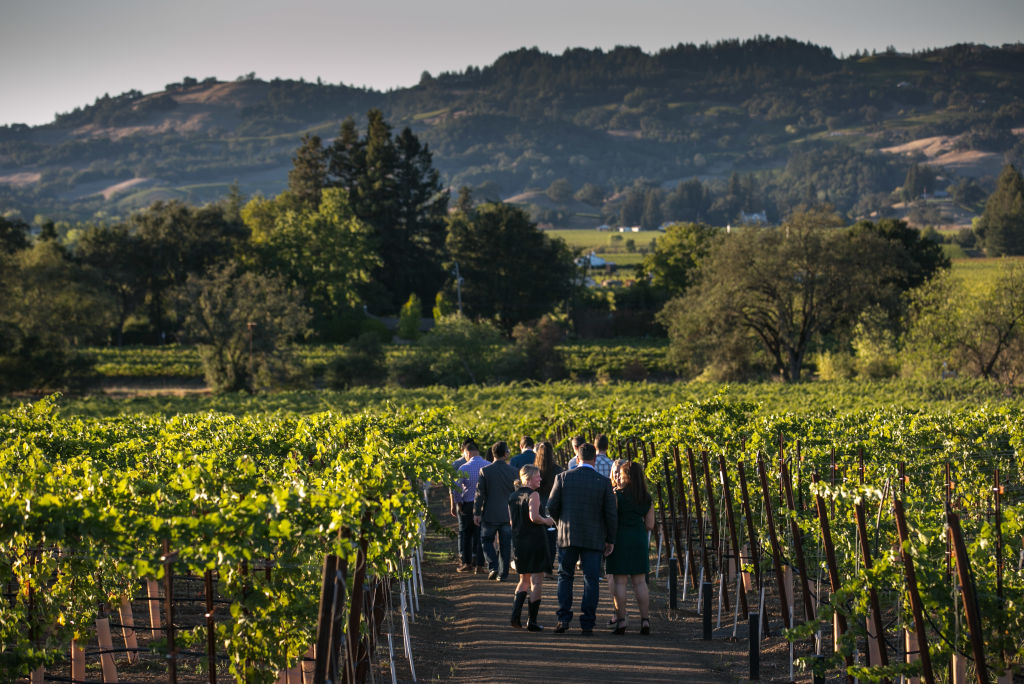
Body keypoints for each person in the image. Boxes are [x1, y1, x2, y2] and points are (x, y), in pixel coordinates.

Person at [547, 442, 617, 635]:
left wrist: (560, 522)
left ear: (577, 458)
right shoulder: (603, 482)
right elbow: (611, 514)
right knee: (591, 580)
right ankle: (587, 623)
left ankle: (563, 619)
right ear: (594, 460)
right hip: (594, 537)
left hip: (567, 535)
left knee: (565, 576)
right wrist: (610, 539)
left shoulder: (562, 478)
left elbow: (551, 506)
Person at [605, 460, 655, 635]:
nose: (618, 476)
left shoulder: (616, 495)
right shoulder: (646, 498)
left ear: (627, 476)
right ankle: (645, 620)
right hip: (639, 539)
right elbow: (650, 525)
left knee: (620, 582)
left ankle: (621, 620)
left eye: (621, 473)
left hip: (620, 539)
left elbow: (612, 519)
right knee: (640, 582)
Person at [508, 464, 556, 631]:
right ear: (528, 479)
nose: (540, 479)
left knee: (523, 580)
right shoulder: (533, 495)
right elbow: (534, 517)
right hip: (535, 541)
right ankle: (532, 621)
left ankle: (515, 616)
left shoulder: (513, 496)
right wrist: (547, 521)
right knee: (536, 581)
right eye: (537, 476)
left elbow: (512, 522)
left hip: (520, 541)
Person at [474, 441, 517, 581]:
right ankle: (503, 573)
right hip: (507, 514)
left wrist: (476, 512)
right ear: (505, 454)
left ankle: (493, 565)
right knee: (505, 544)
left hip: (490, 513)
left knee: (486, 540)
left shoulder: (485, 471)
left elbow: (480, 494)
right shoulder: (513, 471)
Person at [450, 439, 487, 573]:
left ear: (467, 453)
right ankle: (480, 565)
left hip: (467, 505)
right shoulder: (487, 465)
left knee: (466, 535)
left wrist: (459, 503)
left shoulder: (463, 468)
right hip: (483, 505)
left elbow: (456, 489)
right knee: (481, 535)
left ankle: (467, 563)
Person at [533, 441, 563, 576]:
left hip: (537, 505)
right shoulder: (558, 470)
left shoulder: (534, 470)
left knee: (539, 538)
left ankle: (540, 565)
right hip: (553, 507)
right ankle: (548, 568)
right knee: (551, 539)